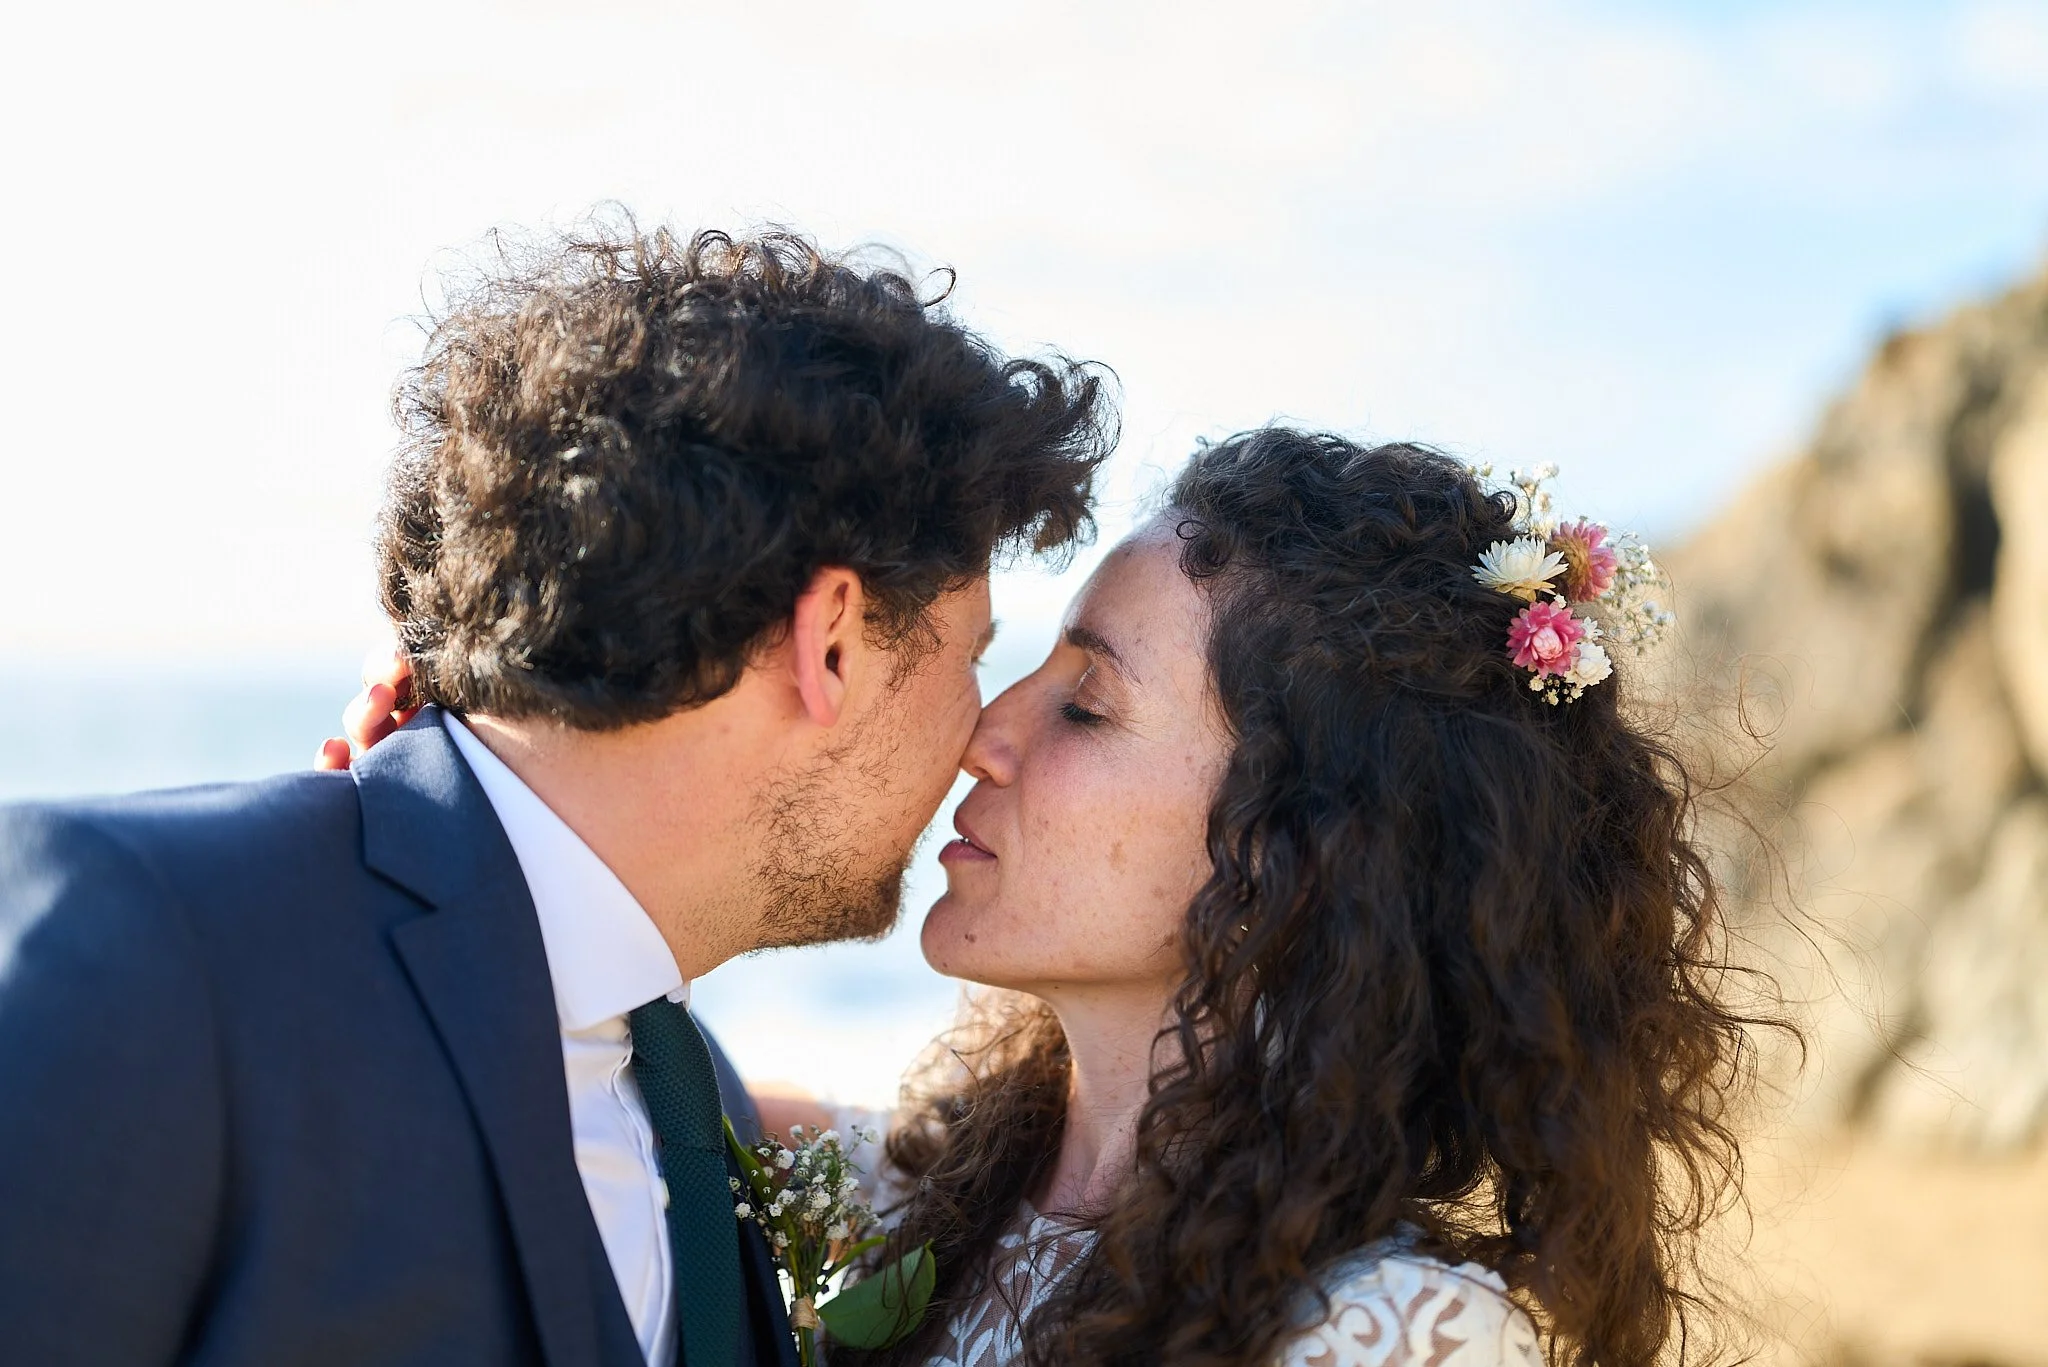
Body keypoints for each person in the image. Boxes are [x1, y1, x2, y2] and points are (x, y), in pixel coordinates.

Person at [339, 433, 1766, 1367]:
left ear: (1300, 848)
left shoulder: (1393, 1337)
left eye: (1086, 703)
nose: (986, 732)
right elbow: (612, 1075)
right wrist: (488, 810)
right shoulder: (933, 1192)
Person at [0, 225, 1111, 1367]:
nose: (982, 732)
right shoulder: (149, 952)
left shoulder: (694, 1101)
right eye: (972, 653)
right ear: (827, 642)